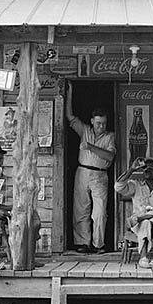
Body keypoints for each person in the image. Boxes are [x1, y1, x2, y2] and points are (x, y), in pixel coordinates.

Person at [66, 81, 116, 254]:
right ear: (92, 121)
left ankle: (98, 244)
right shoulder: (85, 130)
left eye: (103, 123)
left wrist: (90, 147)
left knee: (99, 212)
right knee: (81, 210)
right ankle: (83, 243)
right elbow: (70, 116)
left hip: (100, 175)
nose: (101, 126)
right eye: (98, 123)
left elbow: (110, 156)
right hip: (82, 172)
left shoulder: (110, 136)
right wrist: (69, 92)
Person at [115, 158, 153, 268]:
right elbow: (118, 187)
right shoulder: (136, 186)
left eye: (151, 168)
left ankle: (143, 217)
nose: (147, 170)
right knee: (146, 222)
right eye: (145, 168)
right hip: (137, 224)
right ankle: (143, 257)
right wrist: (131, 169)